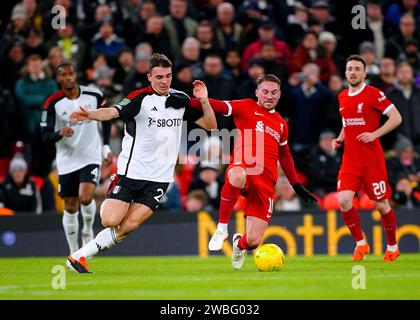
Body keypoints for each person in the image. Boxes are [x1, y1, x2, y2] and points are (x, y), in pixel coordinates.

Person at [66, 53, 216, 273]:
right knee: (110, 220)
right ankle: (90, 237)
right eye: (159, 77)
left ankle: (79, 256)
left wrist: (203, 99)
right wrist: (91, 114)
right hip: (131, 172)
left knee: (130, 225)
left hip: (160, 178)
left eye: (168, 76)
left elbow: (211, 125)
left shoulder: (180, 99)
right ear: (149, 77)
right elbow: (112, 111)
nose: (164, 81)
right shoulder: (139, 98)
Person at [190, 74, 317, 270]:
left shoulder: (281, 124)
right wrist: (200, 98)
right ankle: (221, 228)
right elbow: (219, 106)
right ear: (257, 93)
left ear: (279, 95)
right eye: (265, 92)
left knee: (254, 241)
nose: (269, 96)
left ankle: (239, 244)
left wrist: (296, 184)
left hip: (266, 183)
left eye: (273, 92)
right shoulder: (246, 106)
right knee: (237, 175)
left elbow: (285, 156)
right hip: (244, 169)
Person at [332, 55, 402, 262]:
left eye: (357, 69)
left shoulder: (374, 94)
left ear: (364, 73)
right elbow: (347, 123)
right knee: (344, 200)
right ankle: (361, 244)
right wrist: (340, 138)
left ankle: (392, 246)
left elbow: (397, 117)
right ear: (345, 72)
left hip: (372, 160)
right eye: (349, 68)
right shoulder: (342, 97)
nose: (353, 72)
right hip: (350, 160)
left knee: (381, 205)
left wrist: (375, 134)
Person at [41, 61, 113, 255]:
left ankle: (88, 231)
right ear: (58, 79)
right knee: (71, 205)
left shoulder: (94, 95)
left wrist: (105, 146)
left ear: (76, 75)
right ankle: (74, 252)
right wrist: (59, 133)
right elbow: (44, 134)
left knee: (85, 196)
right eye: (64, 75)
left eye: (71, 74)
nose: (68, 78)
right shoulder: (52, 103)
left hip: (90, 155)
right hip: (66, 159)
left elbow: (106, 119)